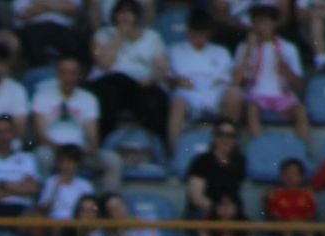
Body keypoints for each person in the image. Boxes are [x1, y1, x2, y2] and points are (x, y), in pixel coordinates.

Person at [89, 0, 168, 140]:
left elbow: (161, 68)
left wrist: (151, 79)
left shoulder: (152, 37)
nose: (125, 16)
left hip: (141, 83)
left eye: (129, 12)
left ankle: (156, 144)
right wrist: (120, 36)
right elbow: (104, 63)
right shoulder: (102, 34)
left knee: (156, 99)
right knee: (106, 94)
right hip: (112, 81)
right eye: (122, 12)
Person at [233, 4, 309, 142]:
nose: (260, 27)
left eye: (264, 22)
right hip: (255, 96)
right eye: (256, 22)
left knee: (301, 111)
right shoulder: (243, 47)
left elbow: (299, 86)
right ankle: (262, 147)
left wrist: (284, 66)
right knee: (251, 109)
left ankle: (302, 150)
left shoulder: (288, 48)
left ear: (274, 24)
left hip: (281, 96)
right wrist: (248, 51)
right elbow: (236, 81)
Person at [166, 10, 241, 148]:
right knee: (178, 104)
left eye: (203, 34)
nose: (199, 38)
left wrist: (217, 84)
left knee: (234, 95)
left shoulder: (221, 52)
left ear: (209, 33)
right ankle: (175, 151)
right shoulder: (175, 51)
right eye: (195, 34)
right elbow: (168, 77)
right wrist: (177, 81)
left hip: (214, 93)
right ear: (188, 31)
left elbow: (228, 79)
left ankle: (230, 146)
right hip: (189, 94)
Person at [185, 120, 244, 217]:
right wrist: (217, 209)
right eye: (221, 134)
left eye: (230, 135)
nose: (226, 139)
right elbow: (196, 198)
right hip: (205, 210)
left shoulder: (240, 162)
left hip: (230, 212)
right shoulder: (201, 162)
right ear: (214, 137)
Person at [264, 156, 318, 236]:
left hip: (302, 223)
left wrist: (300, 220)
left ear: (301, 177)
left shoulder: (307, 195)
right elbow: (273, 213)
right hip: (282, 225)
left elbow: (310, 214)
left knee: (310, 233)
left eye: (294, 174)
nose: (290, 177)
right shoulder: (275, 194)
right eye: (287, 174)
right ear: (281, 176)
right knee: (287, 228)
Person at [14, 0, 88, 67]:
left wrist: (42, 5)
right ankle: (39, 72)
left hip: (62, 27)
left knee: (75, 40)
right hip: (33, 27)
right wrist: (55, 6)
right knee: (31, 39)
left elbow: (72, 8)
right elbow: (23, 13)